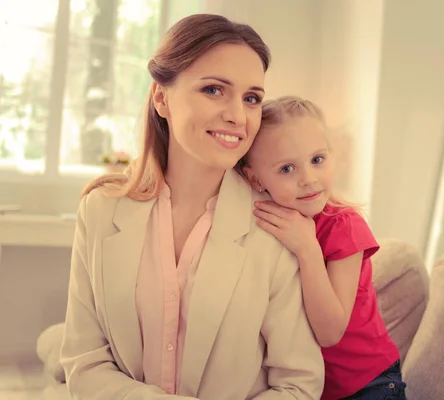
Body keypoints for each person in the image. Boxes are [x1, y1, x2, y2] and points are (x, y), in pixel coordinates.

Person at [59, 15, 324, 400]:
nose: (238, 115)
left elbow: (299, 384)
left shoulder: (276, 225)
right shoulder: (100, 211)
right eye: (214, 90)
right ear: (162, 98)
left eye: (252, 98)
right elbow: (84, 363)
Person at [239, 96, 408, 400]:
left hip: (368, 385)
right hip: (312, 389)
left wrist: (308, 250)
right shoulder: (269, 223)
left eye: (317, 160)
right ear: (255, 179)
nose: (309, 179)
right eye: (287, 168)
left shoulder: (344, 225)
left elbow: (330, 333)